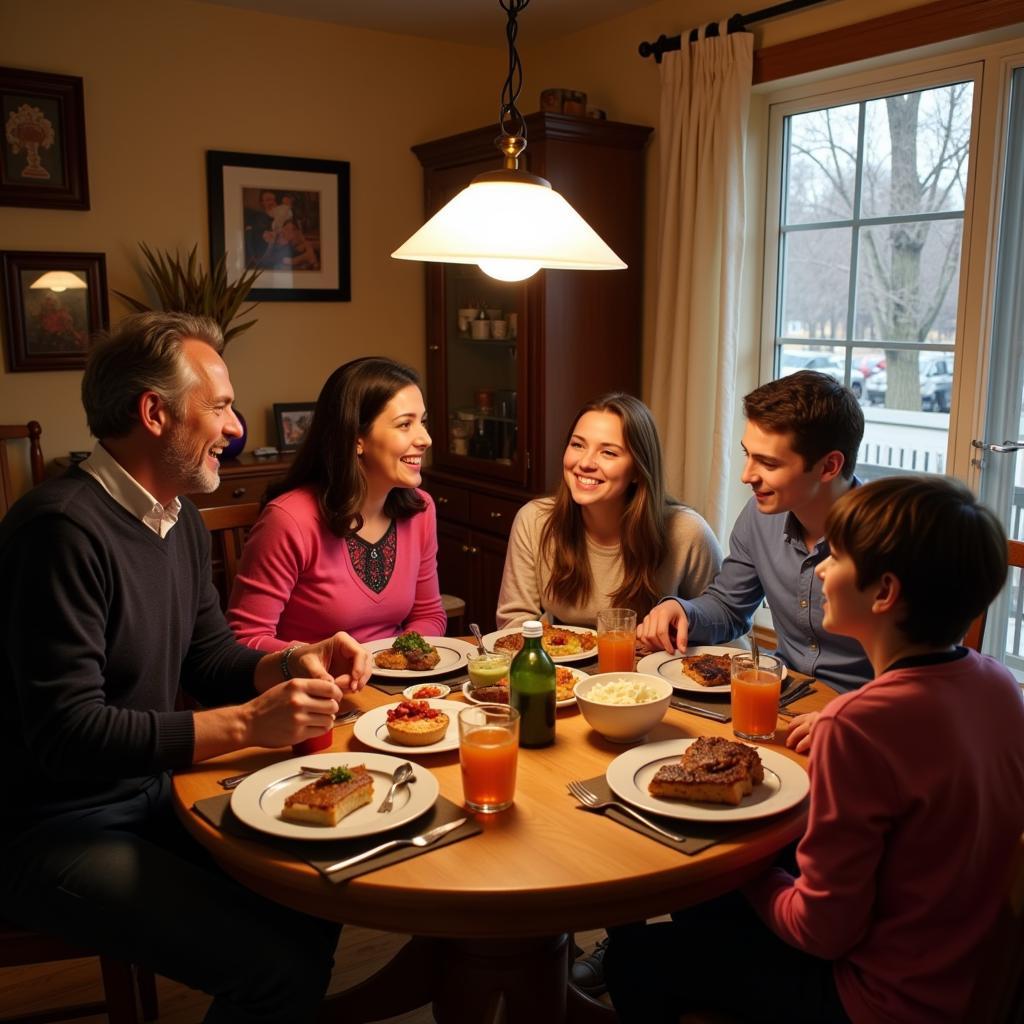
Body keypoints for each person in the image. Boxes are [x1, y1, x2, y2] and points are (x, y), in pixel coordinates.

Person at [0, 312, 372, 1022]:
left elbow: (209, 655)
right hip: (46, 829)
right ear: (155, 412)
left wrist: (295, 658)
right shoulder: (60, 532)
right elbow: (66, 734)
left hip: (144, 797)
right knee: (278, 965)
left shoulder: (176, 515)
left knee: (313, 889)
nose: (234, 428)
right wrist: (243, 726)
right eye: (223, 406)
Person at [605, 475, 1024, 1023]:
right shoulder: (998, 686)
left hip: (876, 999)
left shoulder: (861, 727)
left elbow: (820, 931)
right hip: (961, 974)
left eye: (839, 557)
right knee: (708, 906)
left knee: (636, 958)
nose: (820, 569)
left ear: (884, 593)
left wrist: (742, 868)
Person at [637, 370, 873, 755]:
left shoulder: (893, 538)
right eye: (748, 455)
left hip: (863, 724)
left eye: (768, 463)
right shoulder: (760, 514)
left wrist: (855, 714)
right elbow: (730, 606)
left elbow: (927, 673)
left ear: (829, 466)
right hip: (779, 702)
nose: (747, 476)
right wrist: (682, 609)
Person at [228, 356, 446, 649]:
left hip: (394, 684)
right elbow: (246, 638)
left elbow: (429, 614)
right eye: (405, 424)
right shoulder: (289, 519)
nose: (425, 439)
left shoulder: (421, 509)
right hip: (311, 687)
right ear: (357, 438)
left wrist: (394, 658)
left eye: (423, 422)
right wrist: (323, 659)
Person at [496, 393, 722, 630]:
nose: (585, 462)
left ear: (638, 470)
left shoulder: (687, 532)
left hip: (650, 664)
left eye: (609, 452)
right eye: (578, 445)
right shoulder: (534, 520)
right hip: (560, 663)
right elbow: (514, 622)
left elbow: (722, 624)